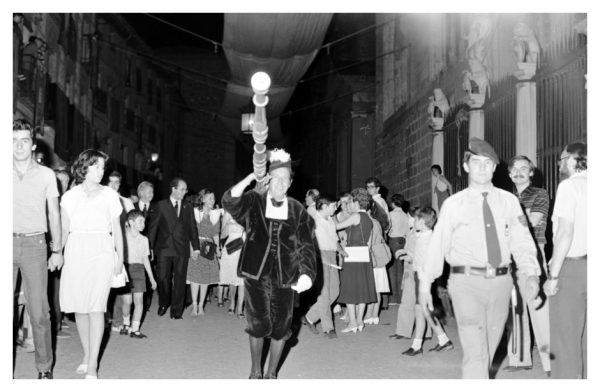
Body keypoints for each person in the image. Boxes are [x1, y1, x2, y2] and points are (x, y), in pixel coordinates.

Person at [419, 138, 540, 379]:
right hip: (466, 283)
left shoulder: (509, 201)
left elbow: (522, 241)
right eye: (476, 162)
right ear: (466, 167)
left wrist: (531, 273)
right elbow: (438, 243)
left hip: (501, 283)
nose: (483, 168)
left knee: (489, 349)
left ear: (495, 168)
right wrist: (425, 284)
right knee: (475, 352)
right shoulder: (454, 204)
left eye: (488, 163)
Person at [222, 148, 318, 379]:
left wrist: (306, 274)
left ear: (290, 183)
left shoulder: (297, 209)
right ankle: (256, 371)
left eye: (286, 180)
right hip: (256, 273)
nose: (281, 184)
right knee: (257, 323)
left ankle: (272, 373)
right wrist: (250, 179)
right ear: (269, 180)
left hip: (286, 277)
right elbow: (230, 201)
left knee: (282, 327)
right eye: (276, 179)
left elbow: (306, 245)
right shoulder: (254, 200)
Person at [59, 149, 124, 379]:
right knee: (81, 308)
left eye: (102, 167)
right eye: (96, 166)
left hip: (102, 250)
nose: (101, 171)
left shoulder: (110, 195)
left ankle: (93, 365)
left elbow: (116, 229)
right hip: (76, 250)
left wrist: (120, 258)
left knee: (97, 307)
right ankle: (87, 355)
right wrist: (58, 252)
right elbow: (65, 229)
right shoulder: (70, 196)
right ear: (84, 167)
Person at [13, 119, 63, 379]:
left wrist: (57, 249)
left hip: (35, 244)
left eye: (23, 140)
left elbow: (54, 213)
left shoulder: (46, 175)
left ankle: (44, 368)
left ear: (32, 144)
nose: (18, 145)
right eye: (13, 140)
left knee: (39, 311)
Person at [543, 142, 587, 379]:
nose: (559, 164)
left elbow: (565, 233)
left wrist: (553, 276)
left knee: (565, 338)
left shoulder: (569, 187)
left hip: (572, 268)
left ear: (573, 159)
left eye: (561, 159)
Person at [504, 155, 550, 373]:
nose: (519, 171)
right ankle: (519, 359)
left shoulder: (539, 193)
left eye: (524, 168)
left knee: (539, 307)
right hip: (509, 254)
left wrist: (509, 222)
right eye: (515, 168)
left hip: (533, 252)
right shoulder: (507, 199)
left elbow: (531, 223)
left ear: (531, 173)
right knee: (515, 307)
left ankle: (551, 362)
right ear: (510, 174)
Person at [399, 207, 453, 356]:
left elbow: (427, 263)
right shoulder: (424, 236)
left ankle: (420, 345)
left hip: (425, 279)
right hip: (422, 277)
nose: (414, 221)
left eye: (416, 219)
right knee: (421, 310)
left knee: (423, 309)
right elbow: (420, 257)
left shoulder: (428, 239)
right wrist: (408, 254)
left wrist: (424, 285)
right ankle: (441, 340)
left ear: (422, 222)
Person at [147, 178, 200, 320]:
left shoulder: (187, 206)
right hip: (164, 248)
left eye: (186, 189)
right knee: (163, 278)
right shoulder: (161, 205)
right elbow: (153, 229)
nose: (185, 192)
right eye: (182, 189)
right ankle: (164, 302)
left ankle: (177, 311)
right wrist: (149, 248)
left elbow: (192, 228)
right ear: (173, 189)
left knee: (180, 280)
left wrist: (196, 248)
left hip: (182, 248)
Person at [303, 194, 347, 338]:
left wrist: (341, 251)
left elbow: (334, 240)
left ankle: (309, 317)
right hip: (318, 257)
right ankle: (328, 328)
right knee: (324, 293)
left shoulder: (331, 222)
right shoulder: (313, 221)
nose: (337, 207)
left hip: (331, 256)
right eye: (334, 205)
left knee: (335, 292)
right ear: (324, 206)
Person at [336, 188, 377, 333]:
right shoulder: (369, 220)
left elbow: (336, 227)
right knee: (362, 288)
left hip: (352, 255)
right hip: (364, 256)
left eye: (351, 202)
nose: (349, 205)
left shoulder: (355, 216)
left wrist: (330, 217)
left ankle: (352, 322)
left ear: (357, 203)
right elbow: (369, 243)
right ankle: (360, 321)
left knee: (350, 288)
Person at [106, 171, 134, 334]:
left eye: (117, 182)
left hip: (119, 247)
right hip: (101, 245)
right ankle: (104, 318)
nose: (114, 185)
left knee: (118, 284)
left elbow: (132, 228)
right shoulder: (99, 199)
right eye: (111, 182)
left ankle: (116, 320)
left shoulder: (126, 202)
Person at [186, 189, 222, 316]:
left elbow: (216, 234)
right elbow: (190, 232)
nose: (213, 201)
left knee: (205, 278)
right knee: (195, 277)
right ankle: (194, 305)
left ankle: (201, 306)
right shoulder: (195, 213)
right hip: (196, 246)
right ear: (203, 199)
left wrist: (218, 248)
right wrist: (192, 249)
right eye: (210, 198)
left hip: (209, 248)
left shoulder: (215, 214)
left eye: (214, 198)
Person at [122, 210, 157, 338]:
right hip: (125, 269)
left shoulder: (144, 240)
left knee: (139, 301)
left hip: (139, 270)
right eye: (140, 221)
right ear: (131, 222)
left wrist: (152, 278)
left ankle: (135, 329)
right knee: (127, 302)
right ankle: (126, 323)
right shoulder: (123, 237)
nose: (143, 224)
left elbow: (146, 259)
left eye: (144, 221)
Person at [133, 181, 155, 311]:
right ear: (140, 193)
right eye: (149, 192)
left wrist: (151, 247)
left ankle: (146, 304)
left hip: (150, 247)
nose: (152, 194)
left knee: (148, 273)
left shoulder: (156, 208)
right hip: (133, 246)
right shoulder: (132, 206)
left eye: (152, 192)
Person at [219, 211, 245, 317]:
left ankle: (240, 308)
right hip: (231, 247)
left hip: (243, 246)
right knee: (232, 277)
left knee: (242, 279)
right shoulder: (228, 214)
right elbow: (223, 234)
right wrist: (228, 224)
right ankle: (232, 302)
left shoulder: (246, 212)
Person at [387, 194, 410, 305]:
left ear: (392, 203)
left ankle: (393, 298)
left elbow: (387, 228)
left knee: (391, 270)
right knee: (401, 270)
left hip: (393, 241)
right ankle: (401, 298)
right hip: (403, 241)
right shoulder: (406, 215)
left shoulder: (390, 214)